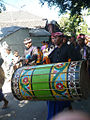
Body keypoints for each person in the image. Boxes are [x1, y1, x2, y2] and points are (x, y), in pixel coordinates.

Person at [47, 32, 73, 120]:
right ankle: (69, 110)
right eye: (53, 38)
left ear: (62, 38)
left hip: (64, 79)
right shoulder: (55, 50)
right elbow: (48, 59)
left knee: (54, 99)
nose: (53, 39)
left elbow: (75, 61)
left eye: (56, 38)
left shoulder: (69, 48)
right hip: (55, 78)